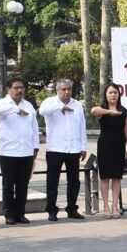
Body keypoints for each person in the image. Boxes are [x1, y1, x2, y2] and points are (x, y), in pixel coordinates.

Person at [39, 79, 88, 221]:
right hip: (55, 148)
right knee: (52, 181)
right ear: (57, 90)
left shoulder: (77, 105)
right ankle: (52, 210)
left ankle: (72, 208)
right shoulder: (49, 102)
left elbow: (82, 127)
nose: (67, 92)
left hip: (73, 149)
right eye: (63, 89)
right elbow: (42, 111)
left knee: (74, 181)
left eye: (69, 89)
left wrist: (83, 147)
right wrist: (60, 108)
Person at [0, 78, 40, 225]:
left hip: (26, 151)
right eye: (16, 88)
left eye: (22, 88)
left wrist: (35, 146)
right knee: (8, 185)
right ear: (8, 89)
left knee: (22, 185)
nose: (20, 91)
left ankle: (20, 213)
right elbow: (0, 112)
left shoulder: (29, 105)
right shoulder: (1, 104)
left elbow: (34, 127)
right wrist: (15, 109)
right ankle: (9, 214)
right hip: (8, 151)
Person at [92, 83, 127, 218]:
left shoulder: (123, 110)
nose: (113, 95)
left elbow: (126, 129)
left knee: (116, 177)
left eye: (115, 92)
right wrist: (110, 112)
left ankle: (115, 205)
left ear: (119, 94)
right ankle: (105, 206)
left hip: (119, 145)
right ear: (105, 95)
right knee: (105, 177)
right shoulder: (101, 110)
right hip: (105, 145)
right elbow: (93, 111)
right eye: (110, 92)